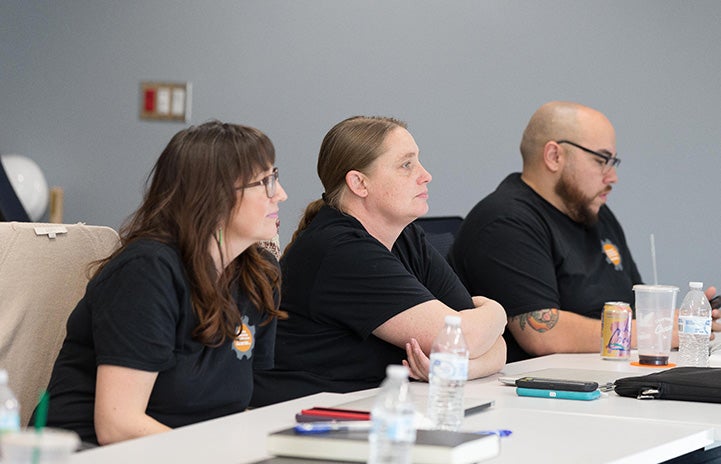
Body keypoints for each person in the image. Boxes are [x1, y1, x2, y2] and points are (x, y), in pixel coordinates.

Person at [31, 121, 288, 445]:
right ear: (216, 197)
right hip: (92, 453)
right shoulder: (147, 272)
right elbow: (118, 426)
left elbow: (246, 404)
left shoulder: (260, 275)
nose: (280, 193)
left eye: (274, 177)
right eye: (265, 182)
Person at [251, 115, 506, 407]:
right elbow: (470, 338)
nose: (425, 175)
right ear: (359, 183)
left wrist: (459, 368)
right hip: (305, 417)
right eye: (406, 165)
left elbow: (494, 346)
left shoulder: (406, 237)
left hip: (372, 408)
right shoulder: (340, 249)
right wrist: (497, 313)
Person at [450, 101, 719, 363]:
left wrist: (684, 320)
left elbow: (632, 304)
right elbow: (544, 335)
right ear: (554, 156)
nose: (612, 177)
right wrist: (655, 332)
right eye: (602, 159)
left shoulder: (593, 212)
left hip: (606, 370)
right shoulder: (505, 220)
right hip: (542, 391)